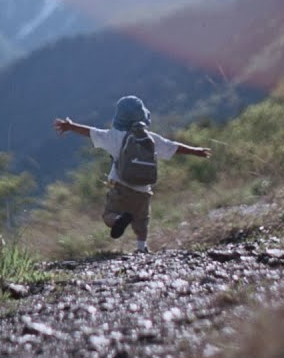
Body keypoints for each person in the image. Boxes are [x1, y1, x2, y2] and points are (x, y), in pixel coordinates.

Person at [53, 95, 211, 254]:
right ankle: (141, 247)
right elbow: (173, 147)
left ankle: (117, 220)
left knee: (109, 214)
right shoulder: (151, 138)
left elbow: (91, 132)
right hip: (143, 189)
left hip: (119, 185)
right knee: (142, 221)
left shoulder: (112, 137)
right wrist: (195, 151)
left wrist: (71, 126)